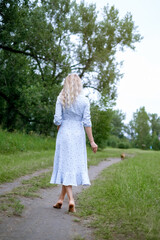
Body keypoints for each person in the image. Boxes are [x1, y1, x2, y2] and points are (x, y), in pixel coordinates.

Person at [50, 73, 98, 212]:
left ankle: (70, 200)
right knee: (70, 166)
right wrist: (92, 142)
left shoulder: (61, 98)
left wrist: (61, 131)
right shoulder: (85, 100)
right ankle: (60, 199)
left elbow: (58, 120)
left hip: (65, 133)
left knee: (66, 165)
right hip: (78, 134)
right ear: (79, 85)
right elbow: (87, 122)